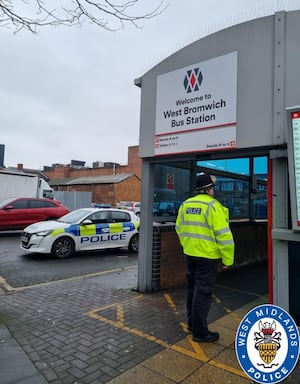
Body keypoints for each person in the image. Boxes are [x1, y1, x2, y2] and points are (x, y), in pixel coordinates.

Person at [175, 172, 235, 343]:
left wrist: (188, 246)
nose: (213, 191)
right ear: (209, 189)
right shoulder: (213, 206)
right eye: (212, 188)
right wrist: (227, 260)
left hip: (190, 254)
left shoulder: (185, 205)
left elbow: (179, 228)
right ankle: (200, 332)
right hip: (207, 257)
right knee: (203, 293)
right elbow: (224, 236)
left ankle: (192, 324)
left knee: (192, 290)